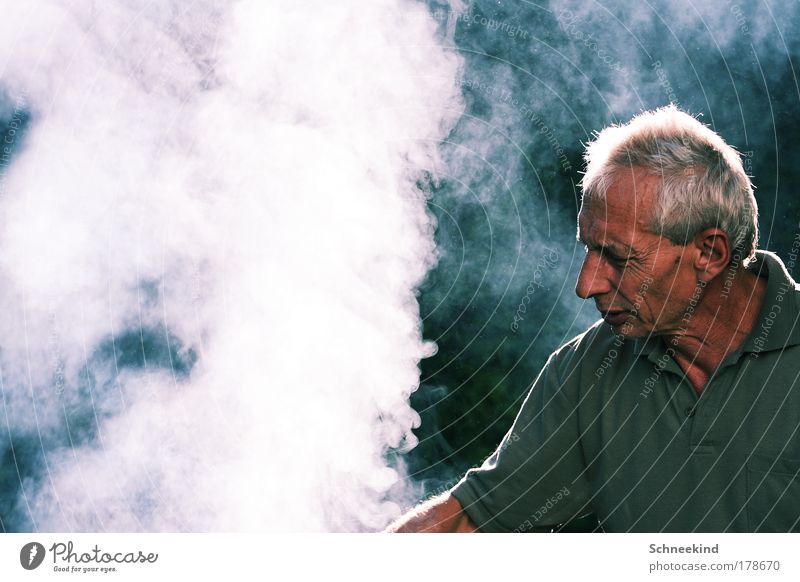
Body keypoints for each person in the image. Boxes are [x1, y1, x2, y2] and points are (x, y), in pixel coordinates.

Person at [387, 104, 800, 533]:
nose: (587, 285)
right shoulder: (586, 372)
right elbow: (465, 527)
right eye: (589, 248)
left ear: (709, 253)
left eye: (619, 258)